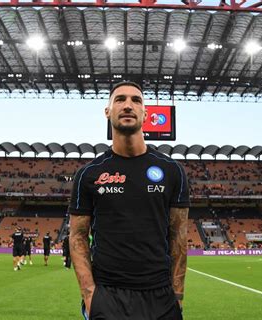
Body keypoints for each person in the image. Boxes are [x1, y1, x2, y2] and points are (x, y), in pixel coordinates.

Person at [69, 81, 190, 320]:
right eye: (119, 99)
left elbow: (179, 235)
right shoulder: (89, 174)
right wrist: (90, 294)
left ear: (145, 114)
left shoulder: (172, 170)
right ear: (108, 112)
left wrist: (177, 296)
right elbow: (77, 236)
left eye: (136, 100)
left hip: (161, 296)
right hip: (107, 295)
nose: (128, 105)